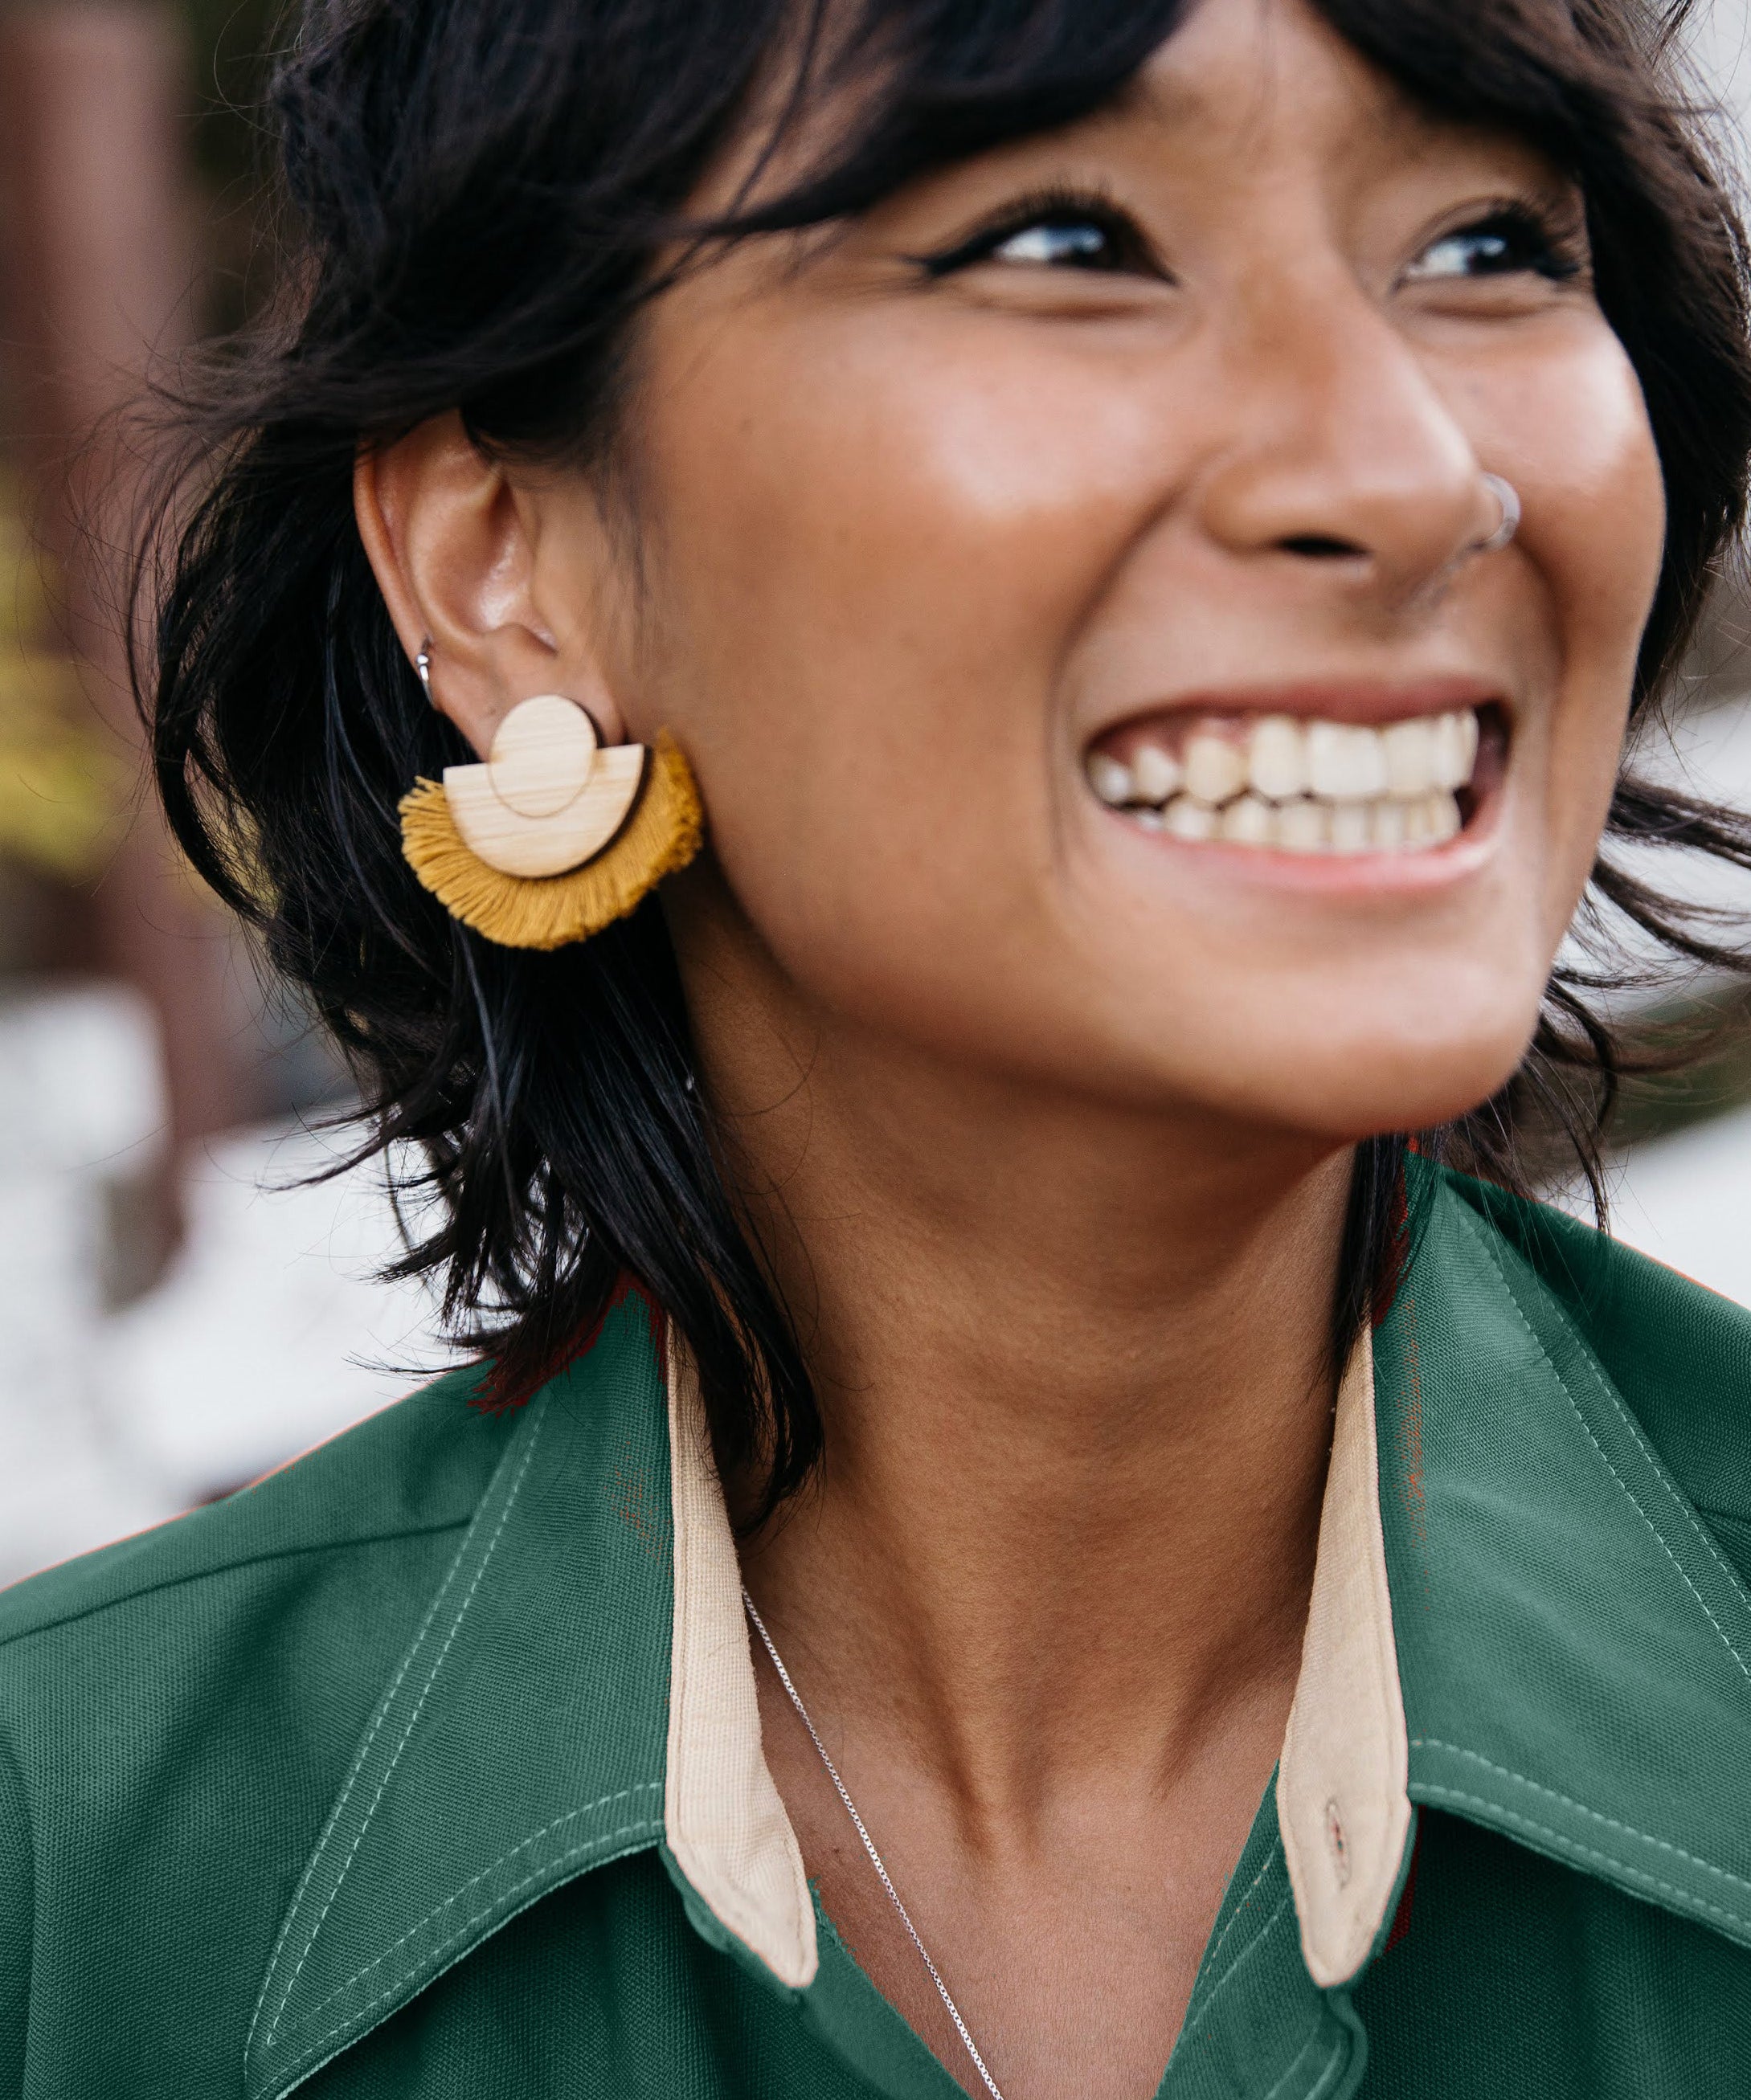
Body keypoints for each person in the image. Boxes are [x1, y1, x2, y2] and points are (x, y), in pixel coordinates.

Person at [5, 0, 1751, 2092]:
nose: (1400, 475)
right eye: (1067, 241)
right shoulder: (67, 1885)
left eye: (1487, 249)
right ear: (503, 566)